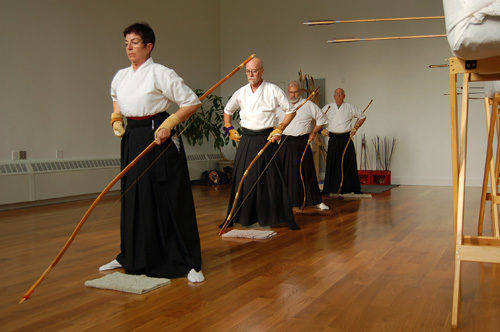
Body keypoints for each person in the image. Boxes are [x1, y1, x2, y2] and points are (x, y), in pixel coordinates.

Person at [100, 22, 204, 283]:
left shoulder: (161, 73)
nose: (129, 48)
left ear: (149, 46)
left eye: (135, 43)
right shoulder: (121, 75)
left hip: (159, 135)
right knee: (134, 195)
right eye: (126, 43)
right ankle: (131, 254)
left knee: (167, 196)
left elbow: (192, 102)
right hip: (133, 136)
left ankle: (189, 262)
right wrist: (116, 118)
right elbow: (116, 96)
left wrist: (168, 124)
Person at [222, 57, 299, 229]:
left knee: (272, 179)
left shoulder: (272, 90)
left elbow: (291, 111)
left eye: (254, 71)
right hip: (247, 138)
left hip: (267, 137)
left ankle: (276, 217)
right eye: (248, 71)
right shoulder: (241, 92)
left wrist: (280, 128)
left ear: (262, 71)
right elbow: (227, 111)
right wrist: (228, 129)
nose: (251, 74)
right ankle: (237, 216)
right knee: (243, 178)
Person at [276, 81, 329, 210]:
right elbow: (273, 122)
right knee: (285, 173)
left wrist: (314, 132)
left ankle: (316, 201)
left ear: (299, 92)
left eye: (295, 92)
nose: (293, 95)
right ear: (287, 92)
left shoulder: (308, 104)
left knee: (307, 171)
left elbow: (322, 118)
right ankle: (285, 202)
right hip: (285, 142)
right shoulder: (281, 106)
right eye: (291, 92)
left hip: (302, 141)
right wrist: (276, 133)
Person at [322, 88, 366, 194]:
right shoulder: (328, 107)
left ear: (344, 96)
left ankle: (353, 188)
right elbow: (318, 118)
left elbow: (362, 116)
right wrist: (321, 130)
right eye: (336, 94)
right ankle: (328, 189)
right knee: (332, 162)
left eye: (341, 94)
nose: (338, 96)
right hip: (333, 137)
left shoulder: (349, 107)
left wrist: (355, 128)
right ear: (334, 96)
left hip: (346, 137)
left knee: (349, 162)